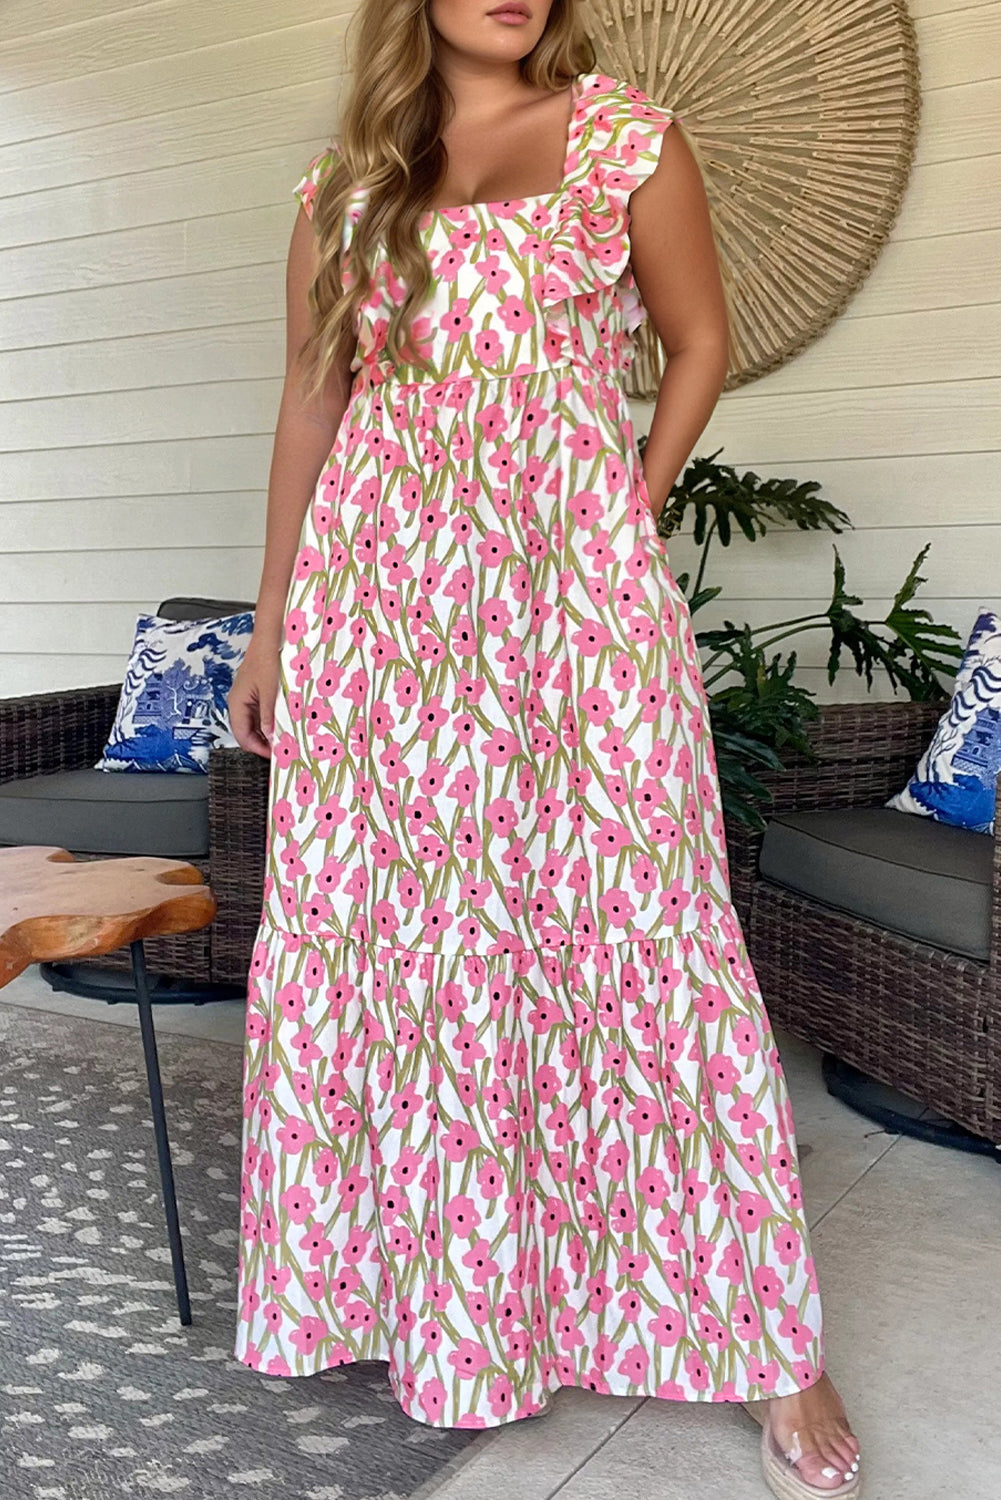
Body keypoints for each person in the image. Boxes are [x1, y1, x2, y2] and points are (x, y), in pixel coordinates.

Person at [227, 2, 862, 1495]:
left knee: (647, 927)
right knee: (405, 942)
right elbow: (314, 401)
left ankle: (772, 1345)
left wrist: (624, 503)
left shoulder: (626, 139)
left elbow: (698, 342)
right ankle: (446, 1304)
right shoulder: (344, 188)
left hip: (571, 600)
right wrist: (273, 619)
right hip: (382, 612)